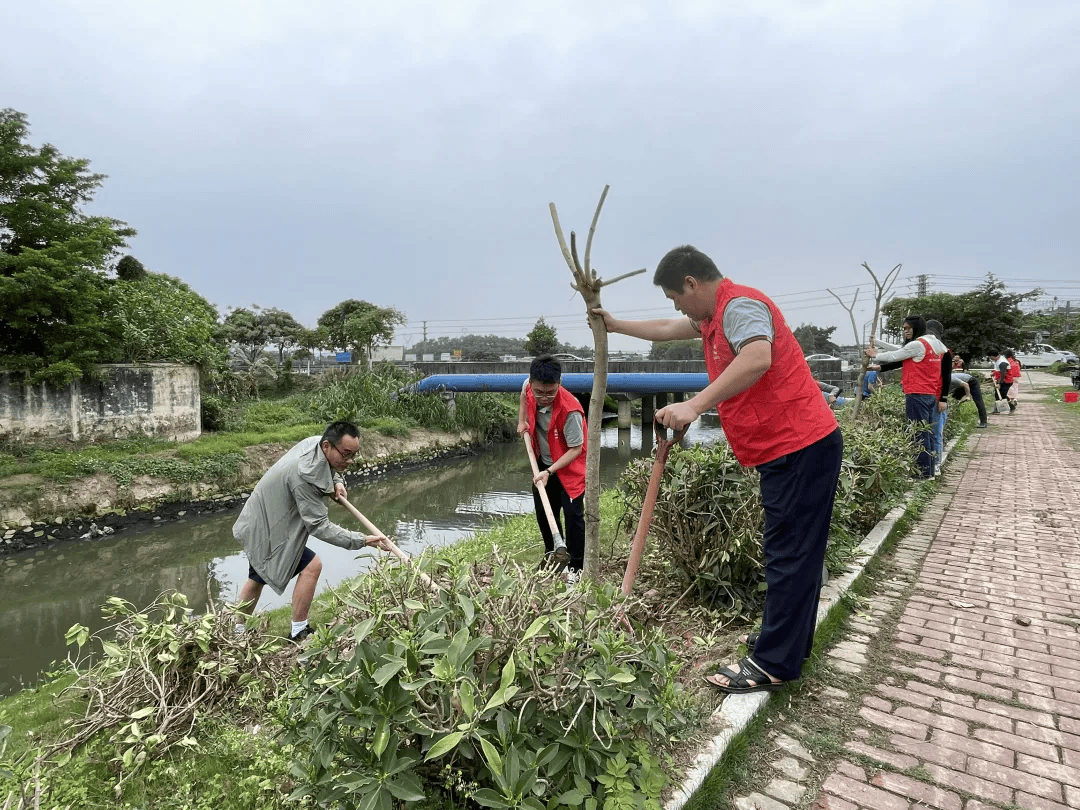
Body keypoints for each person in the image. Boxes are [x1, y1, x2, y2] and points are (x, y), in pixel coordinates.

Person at [592, 244, 842, 695]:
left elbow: (757, 357)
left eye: (676, 296)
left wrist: (695, 404)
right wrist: (616, 325)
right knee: (797, 552)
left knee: (788, 554)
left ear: (692, 283)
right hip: (792, 446)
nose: (676, 308)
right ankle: (787, 644)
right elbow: (669, 328)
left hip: (799, 444)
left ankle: (772, 663)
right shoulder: (713, 315)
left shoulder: (740, 306)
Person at [232, 420, 390, 642]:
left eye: (353, 455)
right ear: (327, 446)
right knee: (309, 566)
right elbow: (319, 526)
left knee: (257, 575)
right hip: (266, 526)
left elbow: (329, 468)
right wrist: (362, 540)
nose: (349, 460)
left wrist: (336, 480)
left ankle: (236, 631)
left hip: (268, 517)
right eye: (345, 454)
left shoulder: (315, 443)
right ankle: (297, 630)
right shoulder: (303, 477)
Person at [516, 356, 587, 579]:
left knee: (573, 516)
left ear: (560, 382)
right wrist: (522, 420)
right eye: (539, 392)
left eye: (550, 392)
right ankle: (553, 556)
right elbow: (523, 394)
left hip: (569, 466)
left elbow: (576, 449)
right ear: (531, 382)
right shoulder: (529, 386)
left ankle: (575, 568)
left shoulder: (570, 410)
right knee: (544, 512)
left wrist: (549, 472)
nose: (544, 397)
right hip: (542, 461)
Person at [864, 316, 948, 479]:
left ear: (917, 327)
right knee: (927, 434)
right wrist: (878, 342)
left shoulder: (918, 345)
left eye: (908, 328)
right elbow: (902, 350)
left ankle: (921, 473)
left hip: (916, 394)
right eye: (903, 328)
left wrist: (875, 354)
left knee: (918, 434)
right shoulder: (934, 345)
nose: (905, 331)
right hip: (929, 395)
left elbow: (896, 355)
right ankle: (929, 471)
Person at [948, 357, 988, 427]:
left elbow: (966, 385)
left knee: (978, 401)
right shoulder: (944, 381)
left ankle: (983, 422)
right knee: (954, 396)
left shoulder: (952, 379)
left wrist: (968, 395)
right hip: (963, 385)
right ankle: (954, 413)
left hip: (972, 382)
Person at [989, 349, 1015, 414]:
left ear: (993, 356)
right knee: (997, 394)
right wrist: (994, 373)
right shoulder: (997, 360)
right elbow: (998, 371)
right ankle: (998, 409)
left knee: (1002, 395)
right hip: (1001, 380)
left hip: (1006, 381)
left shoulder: (1002, 362)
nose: (990, 358)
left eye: (990, 356)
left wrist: (999, 383)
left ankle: (1012, 407)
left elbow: (1003, 374)